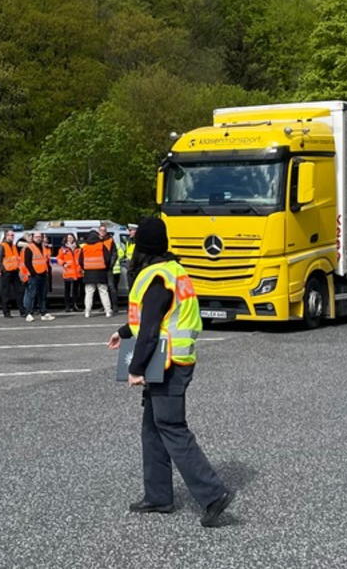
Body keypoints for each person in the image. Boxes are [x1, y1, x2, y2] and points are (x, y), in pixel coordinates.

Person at [106, 217, 234, 528]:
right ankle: (159, 496)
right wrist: (123, 332)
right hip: (173, 361)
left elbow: (150, 329)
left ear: (142, 248)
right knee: (152, 429)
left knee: (171, 426)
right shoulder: (173, 270)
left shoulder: (155, 277)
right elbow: (153, 318)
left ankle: (213, 495)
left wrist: (135, 369)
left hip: (168, 364)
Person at [22, 231, 55, 322]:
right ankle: (28, 313)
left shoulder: (43, 247)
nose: (38, 238)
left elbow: (45, 260)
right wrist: (33, 273)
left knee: (42, 295)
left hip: (43, 274)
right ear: (33, 238)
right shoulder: (30, 248)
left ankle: (43, 313)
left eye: (40, 236)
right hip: (34, 276)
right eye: (36, 236)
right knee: (31, 295)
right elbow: (27, 262)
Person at [81, 230, 114, 318]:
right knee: (103, 291)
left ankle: (87, 311)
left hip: (88, 273)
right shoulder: (101, 245)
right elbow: (107, 258)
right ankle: (108, 311)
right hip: (100, 272)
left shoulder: (84, 247)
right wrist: (105, 267)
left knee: (89, 292)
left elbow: (80, 260)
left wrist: (86, 268)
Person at [0, 229, 23, 318]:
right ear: (6, 236)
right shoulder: (2, 246)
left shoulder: (14, 246)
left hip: (15, 271)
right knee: (6, 292)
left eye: (13, 235)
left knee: (19, 291)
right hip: (7, 272)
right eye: (10, 235)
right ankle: (6, 312)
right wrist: (4, 269)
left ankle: (22, 310)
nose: (12, 237)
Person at [57, 233, 83, 313]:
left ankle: (75, 305)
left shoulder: (78, 248)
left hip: (77, 272)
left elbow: (82, 259)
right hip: (68, 272)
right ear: (66, 239)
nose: (70, 239)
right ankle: (67, 306)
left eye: (71, 238)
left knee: (75, 291)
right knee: (67, 291)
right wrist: (63, 264)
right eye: (68, 238)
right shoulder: (63, 249)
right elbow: (59, 258)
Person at [99, 224, 121, 313]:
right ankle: (104, 305)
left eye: (104, 230)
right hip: (99, 268)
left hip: (108, 268)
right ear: (98, 231)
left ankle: (115, 305)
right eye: (101, 230)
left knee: (111, 287)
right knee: (102, 288)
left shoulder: (110, 240)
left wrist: (110, 265)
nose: (102, 232)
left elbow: (114, 254)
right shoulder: (96, 241)